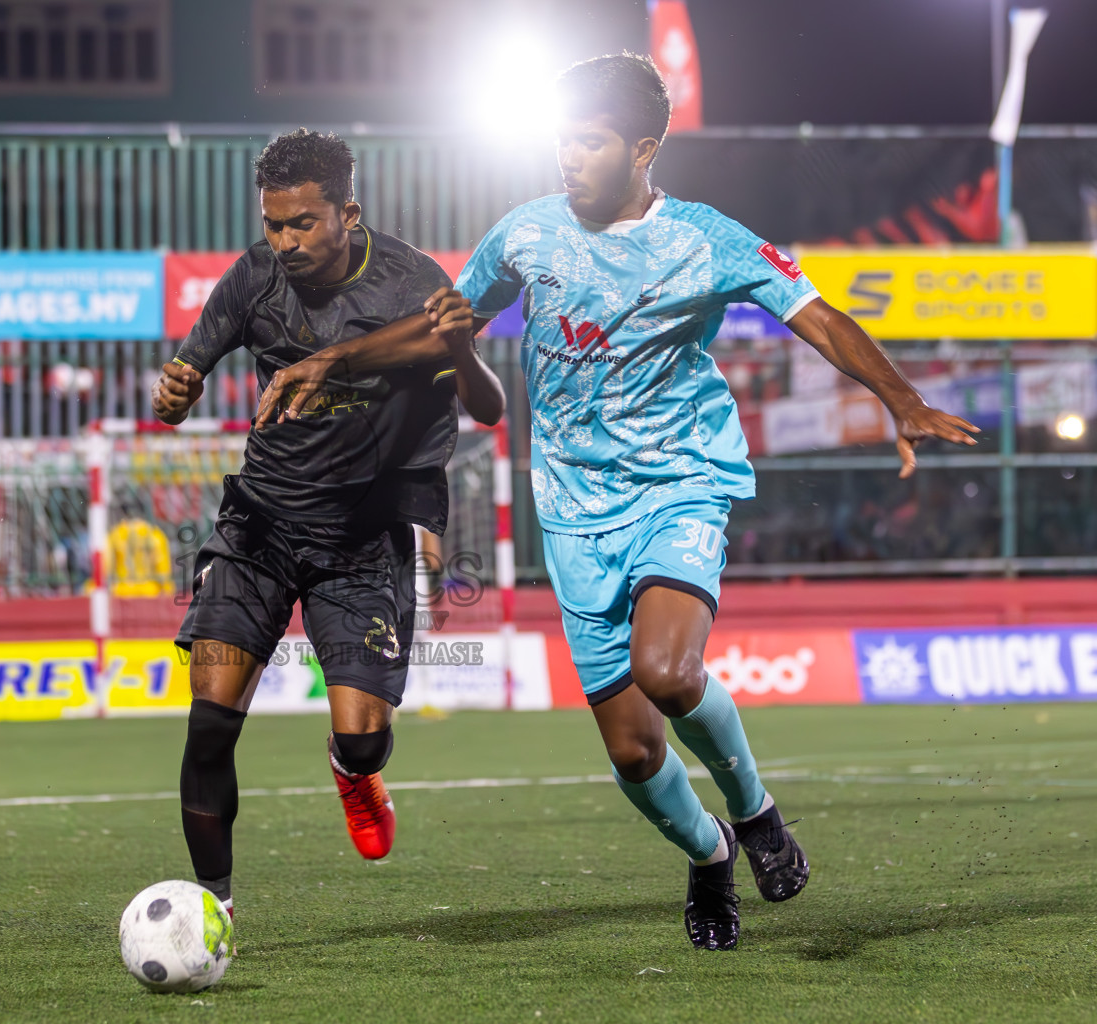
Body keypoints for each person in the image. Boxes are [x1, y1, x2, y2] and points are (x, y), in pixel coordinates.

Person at [263, 55, 979, 950]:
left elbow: (819, 315)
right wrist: (336, 358)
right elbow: (444, 326)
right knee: (635, 753)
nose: (569, 155)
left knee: (670, 673)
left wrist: (900, 398)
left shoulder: (706, 239)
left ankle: (754, 812)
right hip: (571, 510)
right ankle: (711, 853)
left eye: (590, 140)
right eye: (562, 137)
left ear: (643, 148)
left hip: (680, 481)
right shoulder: (526, 234)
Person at [152, 128, 506, 919]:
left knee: (363, 736)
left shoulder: (414, 283)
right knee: (209, 724)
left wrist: (462, 346)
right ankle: (216, 909)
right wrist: (173, 393)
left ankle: (353, 771)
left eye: (302, 223)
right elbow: (184, 377)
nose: (284, 241)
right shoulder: (253, 278)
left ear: (348, 211)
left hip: (362, 542)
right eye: (274, 224)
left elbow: (488, 407)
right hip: (259, 528)